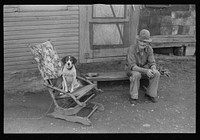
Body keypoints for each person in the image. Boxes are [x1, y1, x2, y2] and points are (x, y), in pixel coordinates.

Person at [125, 29, 160, 105]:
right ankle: (133, 96)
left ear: (148, 43)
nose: (143, 43)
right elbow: (133, 66)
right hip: (131, 69)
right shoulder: (131, 49)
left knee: (156, 73)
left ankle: (151, 94)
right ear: (138, 41)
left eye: (145, 42)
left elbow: (152, 62)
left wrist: (153, 68)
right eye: (141, 41)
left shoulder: (149, 49)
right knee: (137, 74)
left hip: (144, 68)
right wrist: (146, 71)